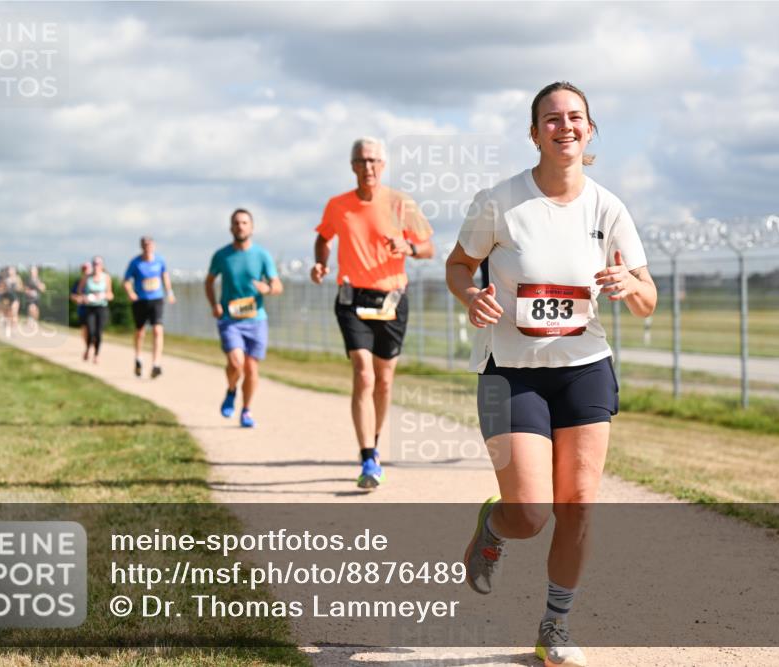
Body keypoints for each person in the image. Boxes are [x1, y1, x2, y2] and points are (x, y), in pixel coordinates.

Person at [445, 82, 657, 666]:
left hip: (584, 369)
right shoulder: (499, 201)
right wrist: (470, 295)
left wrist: (630, 286)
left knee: (580, 505)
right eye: (552, 119)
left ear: (590, 132)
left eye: (576, 118)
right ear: (535, 132)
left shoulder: (608, 208)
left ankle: (554, 627)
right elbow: (458, 265)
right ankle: (493, 524)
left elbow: (648, 298)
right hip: (507, 374)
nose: (565, 127)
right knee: (531, 514)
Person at [311, 137, 434, 490]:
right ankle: (367, 456)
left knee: (383, 380)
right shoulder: (338, 205)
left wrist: (408, 246)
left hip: (392, 299)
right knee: (363, 374)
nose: (368, 167)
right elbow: (323, 237)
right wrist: (321, 263)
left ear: (383, 165)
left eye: (374, 161)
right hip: (352, 298)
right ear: (352, 166)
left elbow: (428, 248)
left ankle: (374, 441)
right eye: (362, 161)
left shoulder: (401, 203)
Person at [205, 209, 283, 428]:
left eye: (244, 222)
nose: (240, 226)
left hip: (256, 319)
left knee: (251, 368)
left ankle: (246, 410)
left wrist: (266, 288)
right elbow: (209, 281)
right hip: (230, 319)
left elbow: (277, 285)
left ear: (252, 227)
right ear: (231, 228)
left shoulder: (262, 255)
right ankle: (231, 390)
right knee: (236, 362)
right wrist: (214, 305)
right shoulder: (222, 256)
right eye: (236, 223)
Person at [123, 236, 175, 379]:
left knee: (158, 330)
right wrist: (131, 293)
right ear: (141, 246)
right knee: (140, 332)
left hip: (156, 299)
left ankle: (156, 364)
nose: (147, 246)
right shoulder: (135, 263)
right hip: (140, 300)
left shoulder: (160, 260)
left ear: (154, 246)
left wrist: (169, 292)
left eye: (150, 244)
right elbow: (126, 281)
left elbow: (165, 275)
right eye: (145, 244)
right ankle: (138, 357)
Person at [76, 256, 114, 364]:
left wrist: (103, 295)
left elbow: (111, 294)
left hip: (101, 307)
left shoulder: (106, 277)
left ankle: (96, 354)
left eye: (98, 264)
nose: (96, 266)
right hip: (90, 307)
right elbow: (79, 291)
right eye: (94, 264)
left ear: (102, 265)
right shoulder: (87, 277)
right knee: (90, 331)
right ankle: (88, 348)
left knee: (98, 332)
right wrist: (85, 297)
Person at [1, 266, 24, 335]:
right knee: (8, 313)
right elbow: (3, 288)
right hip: (7, 298)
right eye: (9, 270)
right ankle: (8, 327)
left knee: (14, 312)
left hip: (15, 298)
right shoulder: (6, 279)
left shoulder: (18, 278)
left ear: (15, 271)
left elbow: (21, 288)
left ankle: (14, 328)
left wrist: (17, 287)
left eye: (11, 270)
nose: (10, 271)